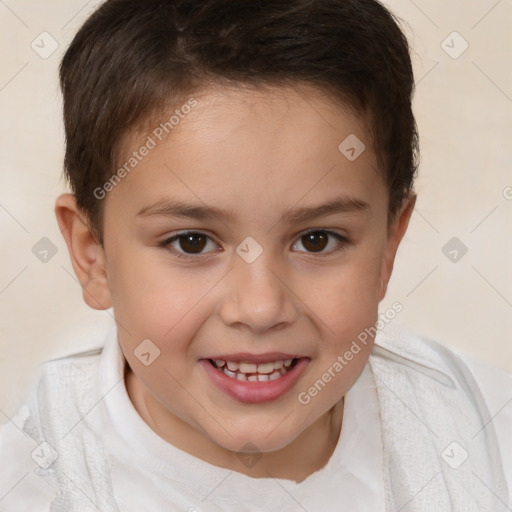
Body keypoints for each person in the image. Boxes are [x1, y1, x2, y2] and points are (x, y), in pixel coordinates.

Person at [0, 0, 510, 510]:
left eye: (318, 239)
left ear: (388, 246)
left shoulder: (486, 434)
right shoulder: (29, 482)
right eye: (192, 242)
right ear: (95, 258)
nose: (261, 308)